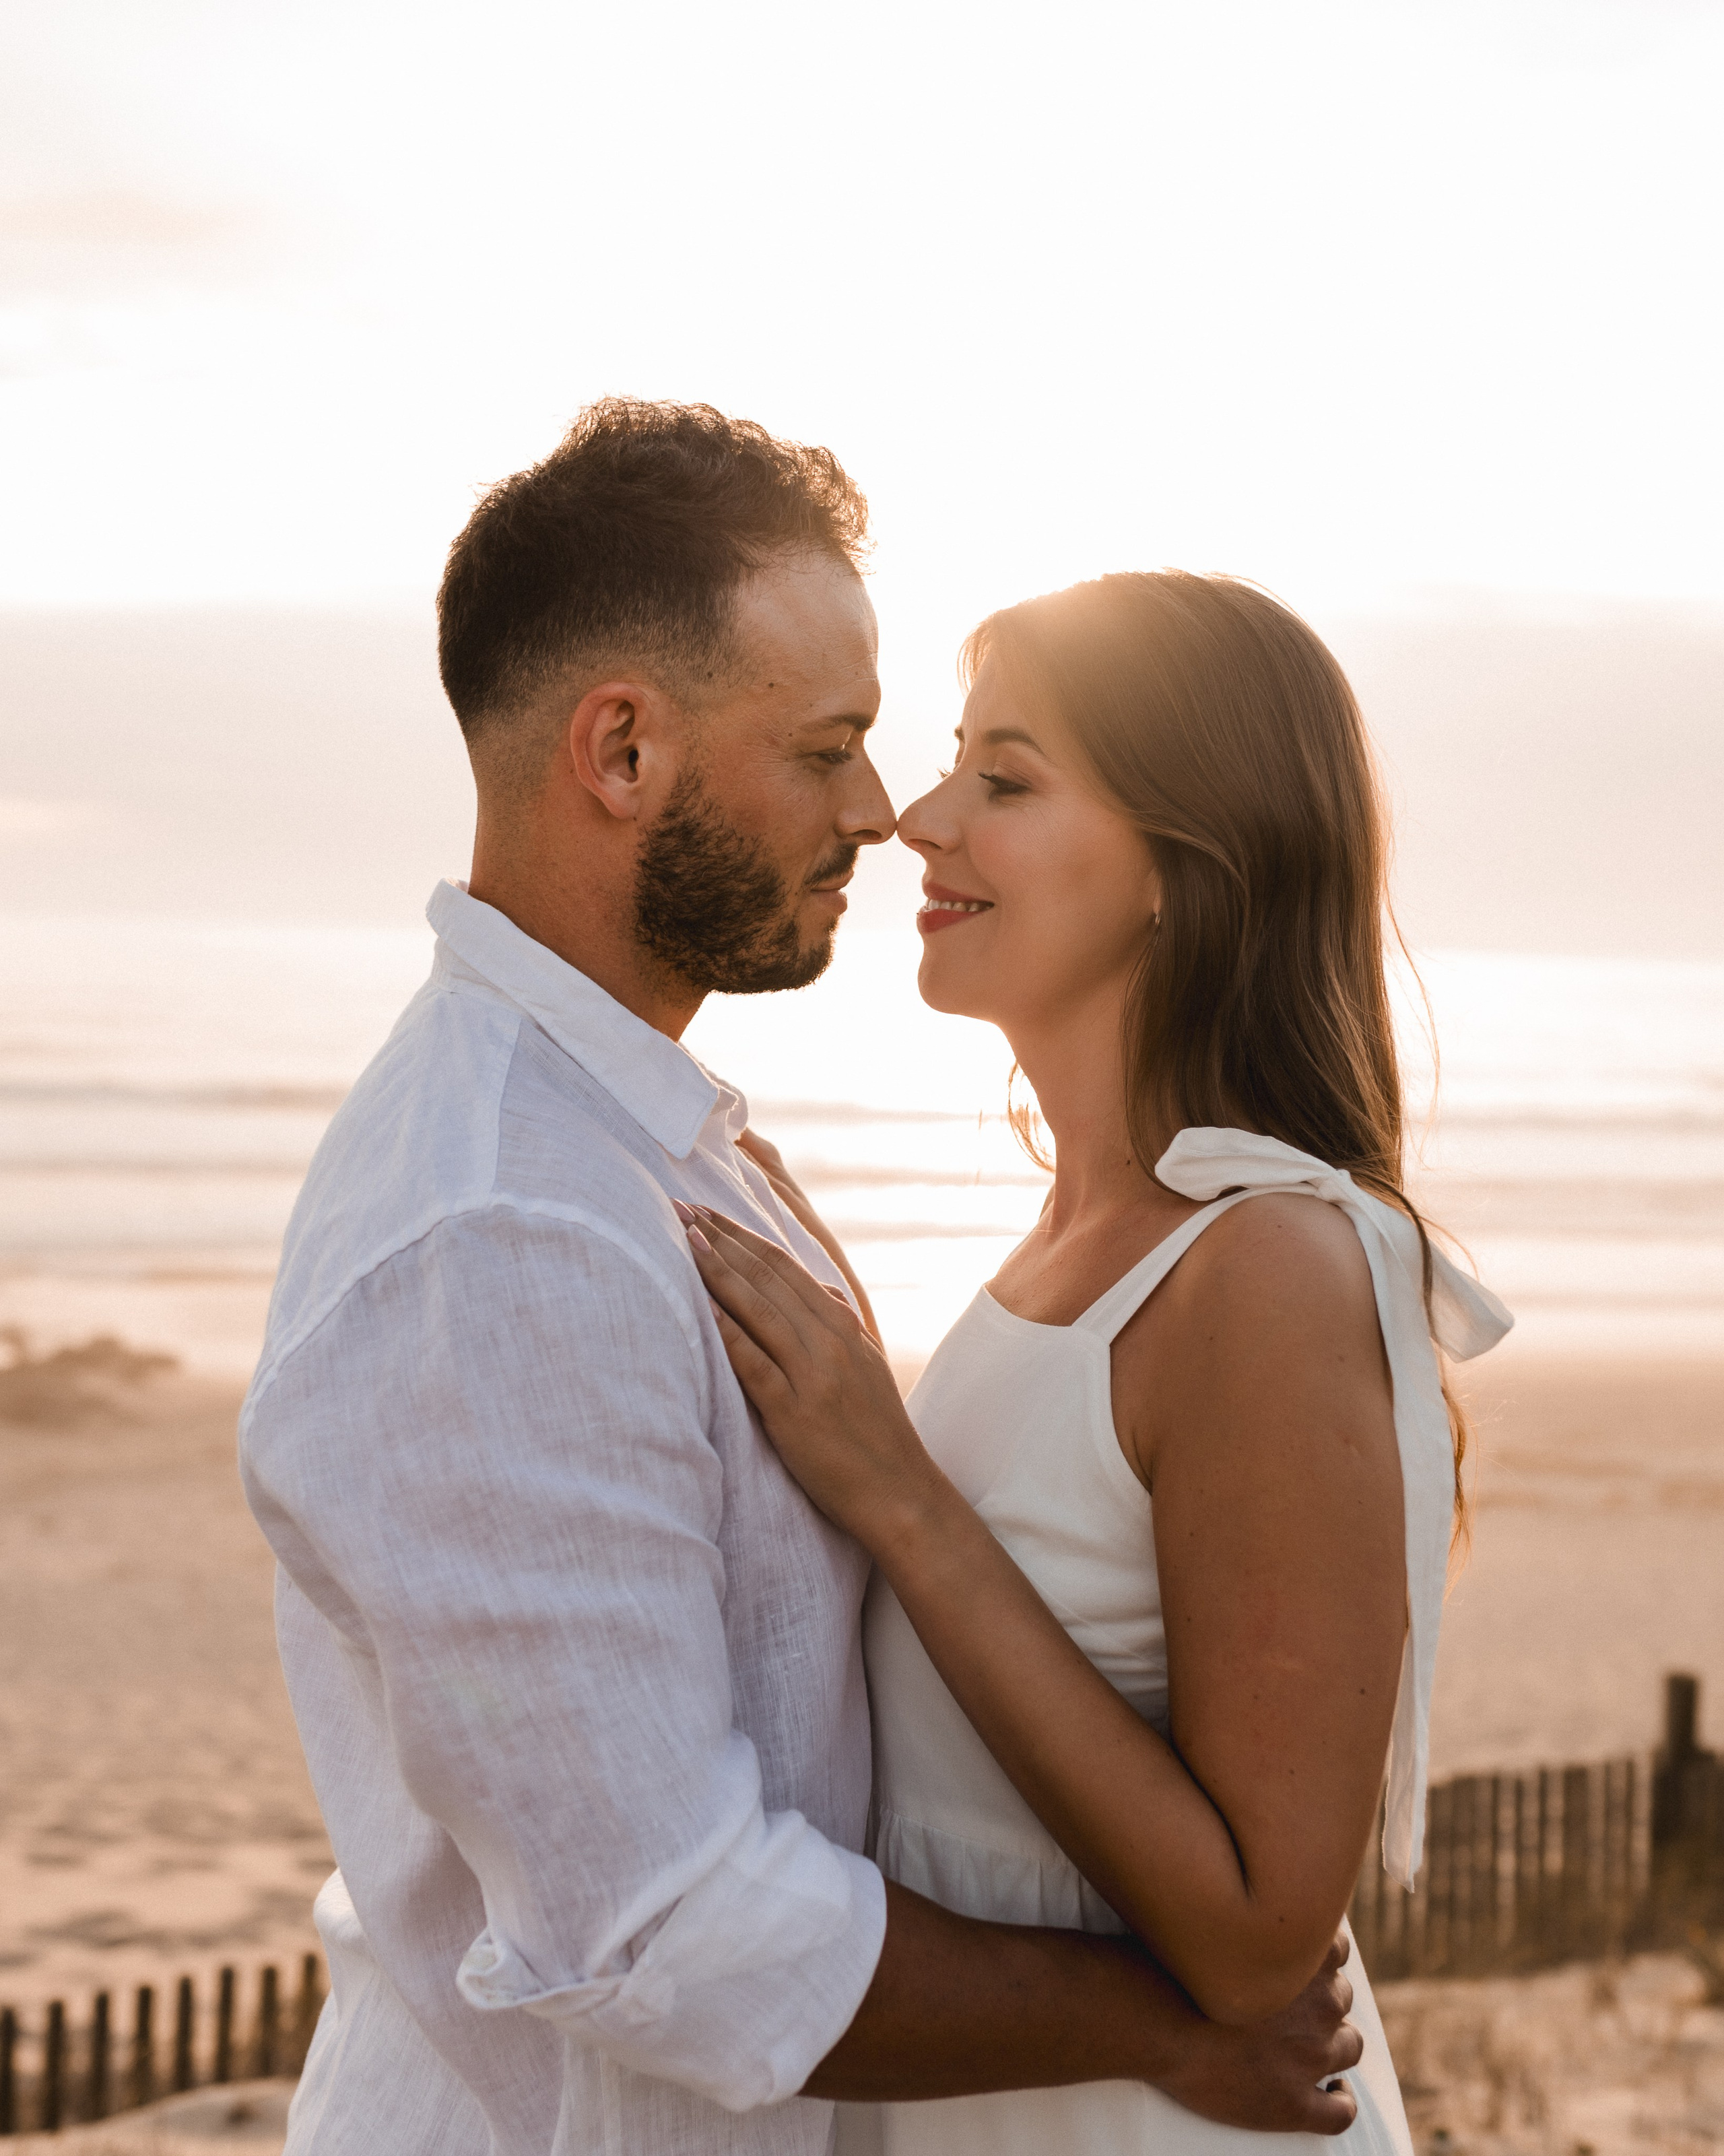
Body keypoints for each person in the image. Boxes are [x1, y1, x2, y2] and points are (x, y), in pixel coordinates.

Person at [238, 406, 1364, 2156]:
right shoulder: (498, 1232)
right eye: (831, 745)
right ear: (622, 751)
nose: (880, 809)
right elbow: (664, 1931)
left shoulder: (654, 1147)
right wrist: (1165, 2032)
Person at [685, 569, 1514, 2155]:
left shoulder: (1259, 1264)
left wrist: (905, 1501)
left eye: (1004, 779)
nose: (918, 818)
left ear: (1172, 871)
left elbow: (1265, 1931)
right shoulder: (1077, 1233)